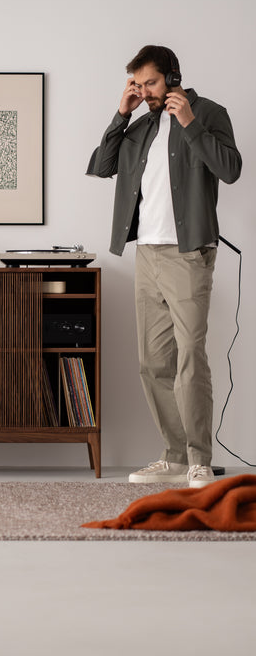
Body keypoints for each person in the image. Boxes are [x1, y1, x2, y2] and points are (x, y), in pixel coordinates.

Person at [87, 45, 242, 488]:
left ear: (173, 78)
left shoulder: (209, 113)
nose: (144, 92)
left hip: (189, 252)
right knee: (152, 362)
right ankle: (174, 456)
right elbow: (101, 167)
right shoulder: (141, 126)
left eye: (150, 83)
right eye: (136, 84)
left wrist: (189, 123)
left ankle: (199, 458)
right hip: (147, 254)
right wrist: (122, 114)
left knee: (190, 357)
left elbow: (230, 170)